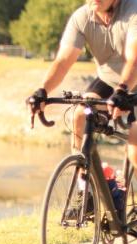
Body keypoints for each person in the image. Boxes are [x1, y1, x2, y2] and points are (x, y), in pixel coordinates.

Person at [29, 0, 137, 167]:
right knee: (80, 113)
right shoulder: (82, 18)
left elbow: (134, 60)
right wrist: (42, 90)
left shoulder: (133, 11)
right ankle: (83, 183)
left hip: (131, 81)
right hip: (109, 81)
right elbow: (63, 61)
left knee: (135, 151)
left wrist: (123, 90)